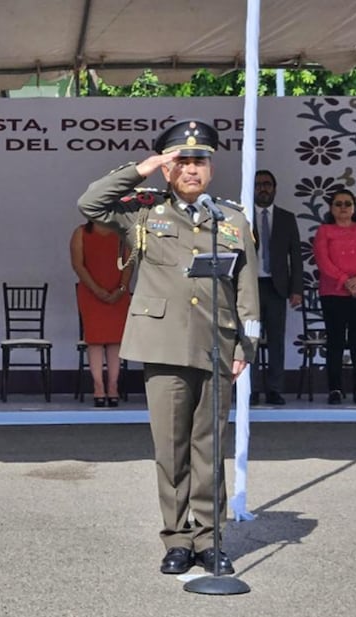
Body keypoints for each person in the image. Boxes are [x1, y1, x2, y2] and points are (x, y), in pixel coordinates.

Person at [78, 119, 260, 577]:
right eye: (181, 161)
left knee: (208, 447)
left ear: (211, 168)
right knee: (171, 447)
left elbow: (246, 289)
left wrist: (246, 344)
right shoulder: (144, 211)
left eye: (199, 161)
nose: (191, 169)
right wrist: (143, 169)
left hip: (216, 344)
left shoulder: (233, 218)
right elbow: (90, 203)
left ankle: (210, 539)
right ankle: (177, 539)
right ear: (168, 168)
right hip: (162, 344)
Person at [312, 188, 356, 406]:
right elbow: (323, 261)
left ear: (354, 207)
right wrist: (345, 281)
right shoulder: (324, 231)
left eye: (347, 204)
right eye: (338, 204)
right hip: (333, 292)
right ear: (331, 208)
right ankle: (335, 389)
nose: (343, 208)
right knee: (336, 341)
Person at [251, 169, 303, 405]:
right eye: (259, 184)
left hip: (277, 287)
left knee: (276, 341)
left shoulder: (286, 218)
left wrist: (297, 289)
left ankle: (274, 389)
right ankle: (248, 389)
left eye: (267, 184)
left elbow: (296, 257)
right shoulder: (242, 217)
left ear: (274, 189)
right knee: (248, 340)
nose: (263, 188)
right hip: (249, 288)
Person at [70, 218, 132, 407]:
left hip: (118, 292)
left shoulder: (123, 234)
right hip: (90, 293)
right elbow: (78, 265)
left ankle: (113, 387)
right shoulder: (81, 232)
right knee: (95, 340)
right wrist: (97, 290)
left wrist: (121, 289)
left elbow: (130, 263)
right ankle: (98, 387)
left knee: (115, 341)